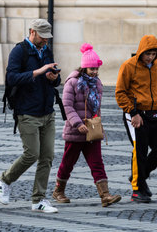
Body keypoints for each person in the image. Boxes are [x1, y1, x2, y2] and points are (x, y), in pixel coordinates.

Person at [0, 19, 60, 213]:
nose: (45, 41)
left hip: (47, 110)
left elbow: (54, 81)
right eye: (42, 37)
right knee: (32, 153)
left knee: (47, 156)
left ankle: (38, 199)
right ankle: (4, 180)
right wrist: (38, 72)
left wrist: (54, 78)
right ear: (32, 32)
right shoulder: (19, 51)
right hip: (27, 111)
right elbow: (11, 77)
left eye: (48, 38)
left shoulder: (46, 50)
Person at [52, 43, 121, 207]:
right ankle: (58, 191)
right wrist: (77, 123)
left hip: (91, 130)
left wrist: (98, 125)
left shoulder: (97, 83)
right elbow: (67, 106)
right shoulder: (72, 82)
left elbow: (97, 108)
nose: (95, 72)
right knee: (68, 163)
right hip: (75, 131)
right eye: (92, 69)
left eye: (97, 69)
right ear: (84, 68)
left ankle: (105, 195)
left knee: (97, 162)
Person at [115, 35, 157, 203]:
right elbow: (120, 92)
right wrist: (133, 113)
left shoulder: (156, 65)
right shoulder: (128, 66)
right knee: (140, 151)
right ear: (141, 52)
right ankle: (137, 189)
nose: (150, 57)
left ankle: (140, 176)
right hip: (136, 114)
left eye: (154, 54)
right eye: (148, 54)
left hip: (154, 113)